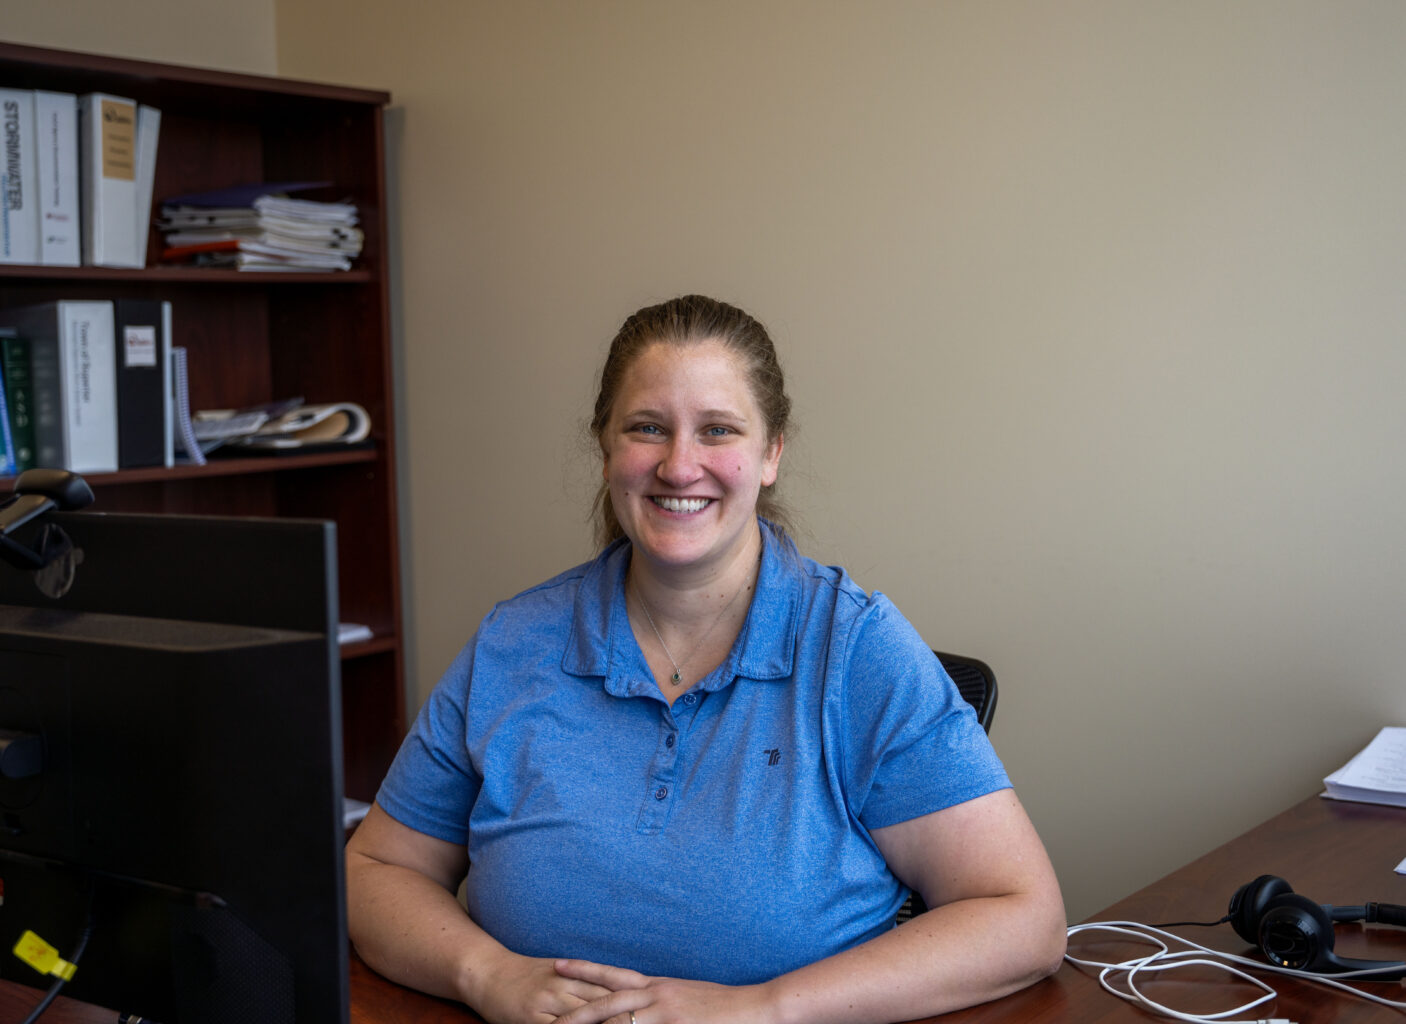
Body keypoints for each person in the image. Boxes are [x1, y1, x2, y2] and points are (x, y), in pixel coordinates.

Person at [346, 294, 1067, 1024]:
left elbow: (1021, 918)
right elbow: (375, 870)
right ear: (605, 450)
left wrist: (763, 1009)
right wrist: (486, 974)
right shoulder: (513, 642)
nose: (679, 464)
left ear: (771, 453)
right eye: (647, 428)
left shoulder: (857, 651)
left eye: (717, 430)